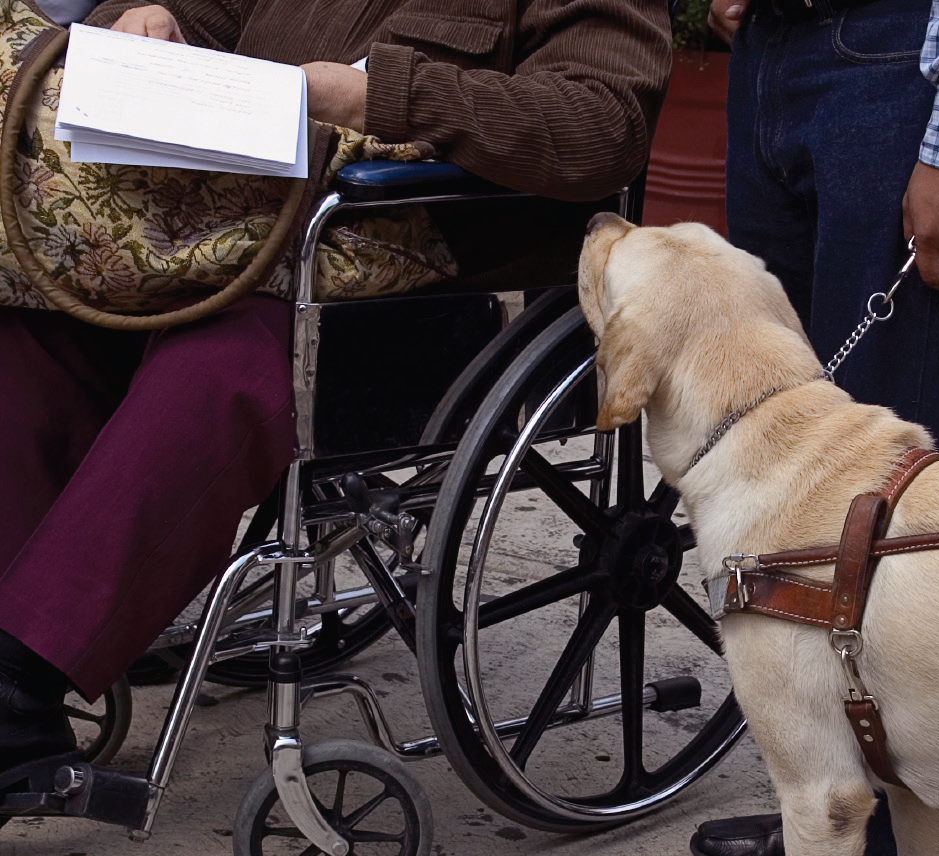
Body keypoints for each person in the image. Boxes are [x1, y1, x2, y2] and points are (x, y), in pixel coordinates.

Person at [0, 0, 670, 781]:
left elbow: (601, 127)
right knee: (30, 330)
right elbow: (190, 17)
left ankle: (20, 681)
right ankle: (23, 632)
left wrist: (372, 97)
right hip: (225, 225)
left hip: (414, 264)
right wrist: (140, 20)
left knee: (229, 356)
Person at [688, 1, 939, 855]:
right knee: (790, 505)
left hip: (909, 59)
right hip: (773, 50)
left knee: (897, 540)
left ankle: (903, 843)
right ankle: (830, 812)